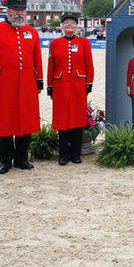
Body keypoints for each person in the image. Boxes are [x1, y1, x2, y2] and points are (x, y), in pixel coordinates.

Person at [0, 0, 43, 173]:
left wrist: (38, 81)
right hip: (3, 83)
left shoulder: (31, 32)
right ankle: (5, 160)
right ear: (7, 11)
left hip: (26, 83)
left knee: (26, 120)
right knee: (5, 121)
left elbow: (36, 58)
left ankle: (21, 158)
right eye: (15, 9)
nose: (19, 13)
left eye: (22, 10)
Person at [47, 12, 94, 166]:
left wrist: (89, 82)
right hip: (60, 85)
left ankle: (75, 153)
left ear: (77, 26)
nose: (69, 26)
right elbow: (50, 66)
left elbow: (89, 64)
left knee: (77, 119)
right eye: (66, 23)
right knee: (62, 120)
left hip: (78, 85)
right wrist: (50, 85)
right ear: (61, 26)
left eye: (72, 23)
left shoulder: (84, 42)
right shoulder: (55, 43)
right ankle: (63, 154)